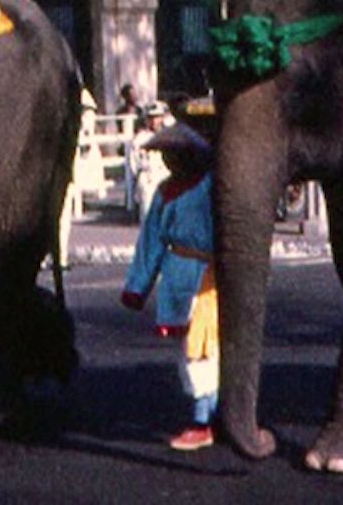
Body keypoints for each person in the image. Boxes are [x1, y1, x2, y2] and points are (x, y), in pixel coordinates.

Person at [121, 122, 219, 452]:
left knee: (201, 348)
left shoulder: (209, 186)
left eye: (177, 155)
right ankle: (205, 411)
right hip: (176, 274)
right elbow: (150, 242)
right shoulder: (164, 191)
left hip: (206, 275)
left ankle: (203, 420)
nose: (170, 161)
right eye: (166, 155)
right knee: (187, 350)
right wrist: (138, 286)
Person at [128, 101, 172, 218]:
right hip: (148, 178)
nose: (154, 121)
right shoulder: (139, 140)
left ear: (162, 117)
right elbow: (133, 166)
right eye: (150, 117)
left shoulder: (169, 137)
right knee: (148, 217)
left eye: (157, 117)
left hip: (165, 177)